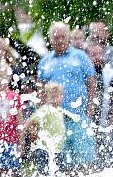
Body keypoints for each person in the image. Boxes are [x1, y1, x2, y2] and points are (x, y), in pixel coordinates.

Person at [38, 22, 97, 167]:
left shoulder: (80, 56)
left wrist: (90, 107)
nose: (59, 40)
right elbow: (40, 91)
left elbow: (92, 83)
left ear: (68, 38)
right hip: (55, 119)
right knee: (60, 163)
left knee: (84, 161)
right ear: (50, 39)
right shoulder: (45, 61)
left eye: (63, 37)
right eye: (56, 37)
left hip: (79, 116)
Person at [86, 43, 113, 165]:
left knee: (108, 157)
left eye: (99, 54)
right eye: (93, 55)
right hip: (88, 122)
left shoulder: (111, 74)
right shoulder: (84, 74)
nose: (97, 58)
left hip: (106, 121)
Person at [25, 82, 67, 175]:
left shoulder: (59, 110)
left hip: (58, 149)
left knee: (60, 174)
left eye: (58, 96)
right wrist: (35, 135)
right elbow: (29, 124)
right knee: (45, 173)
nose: (55, 99)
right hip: (45, 149)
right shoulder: (45, 109)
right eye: (52, 97)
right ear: (46, 97)